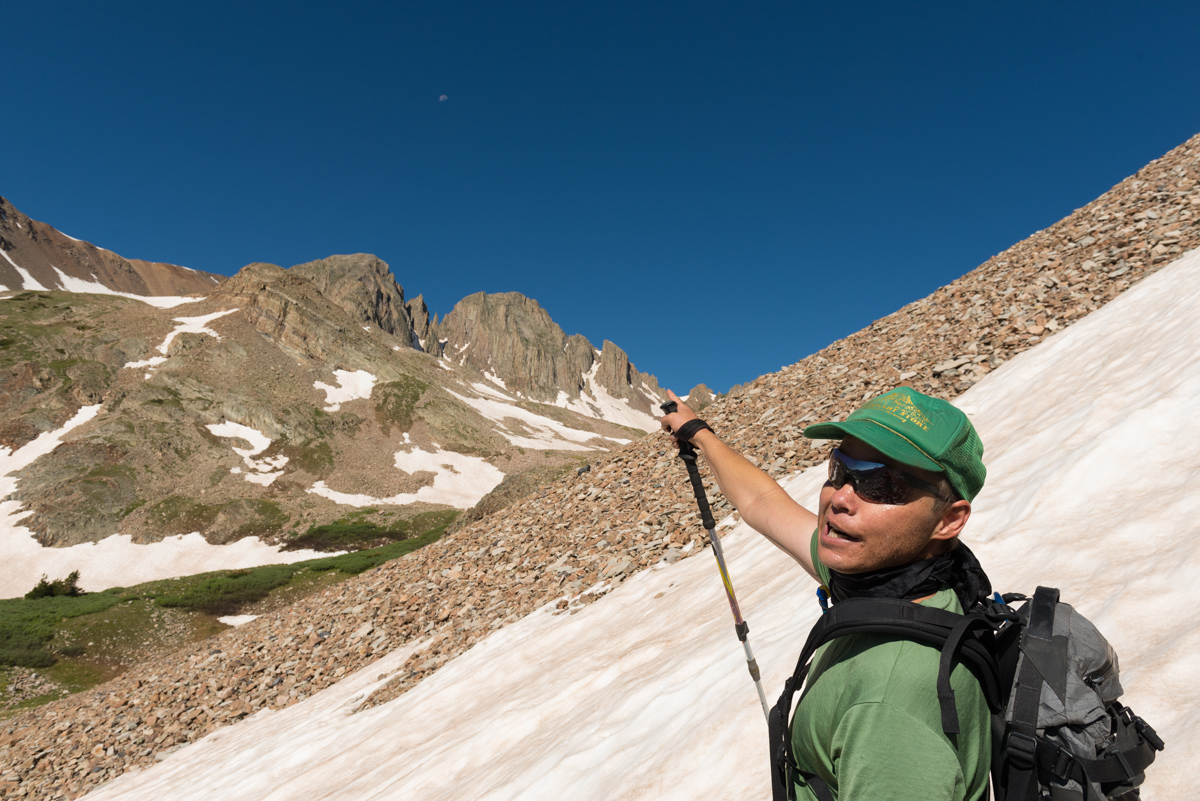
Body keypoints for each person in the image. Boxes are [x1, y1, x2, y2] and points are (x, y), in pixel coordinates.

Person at [660, 386, 992, 801]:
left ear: (948, 520)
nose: (841, 498)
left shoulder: (889, 705)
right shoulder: (893, 583)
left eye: (884, 484)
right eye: (839, 470)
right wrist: (697, 432)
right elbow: (762, 501)